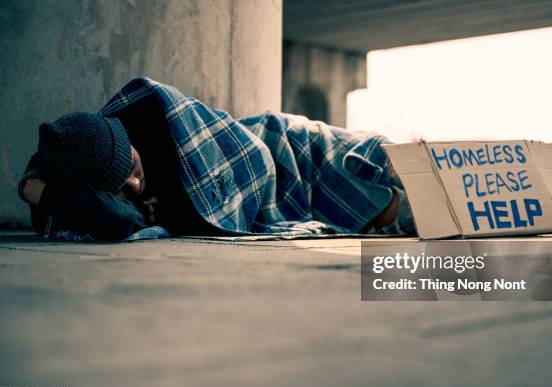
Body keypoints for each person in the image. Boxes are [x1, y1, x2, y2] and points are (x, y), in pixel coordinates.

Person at [18, 77, 414, 241]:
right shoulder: (74, 188)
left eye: (133, 169)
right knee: (389, 213)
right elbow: (120, 221)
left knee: (373, 171)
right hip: (278, 200)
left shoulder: (158, 123)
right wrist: (41, 192)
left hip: (283, 151)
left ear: (130, 142)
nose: (135, 187)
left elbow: (250, 155)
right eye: (120, 189)